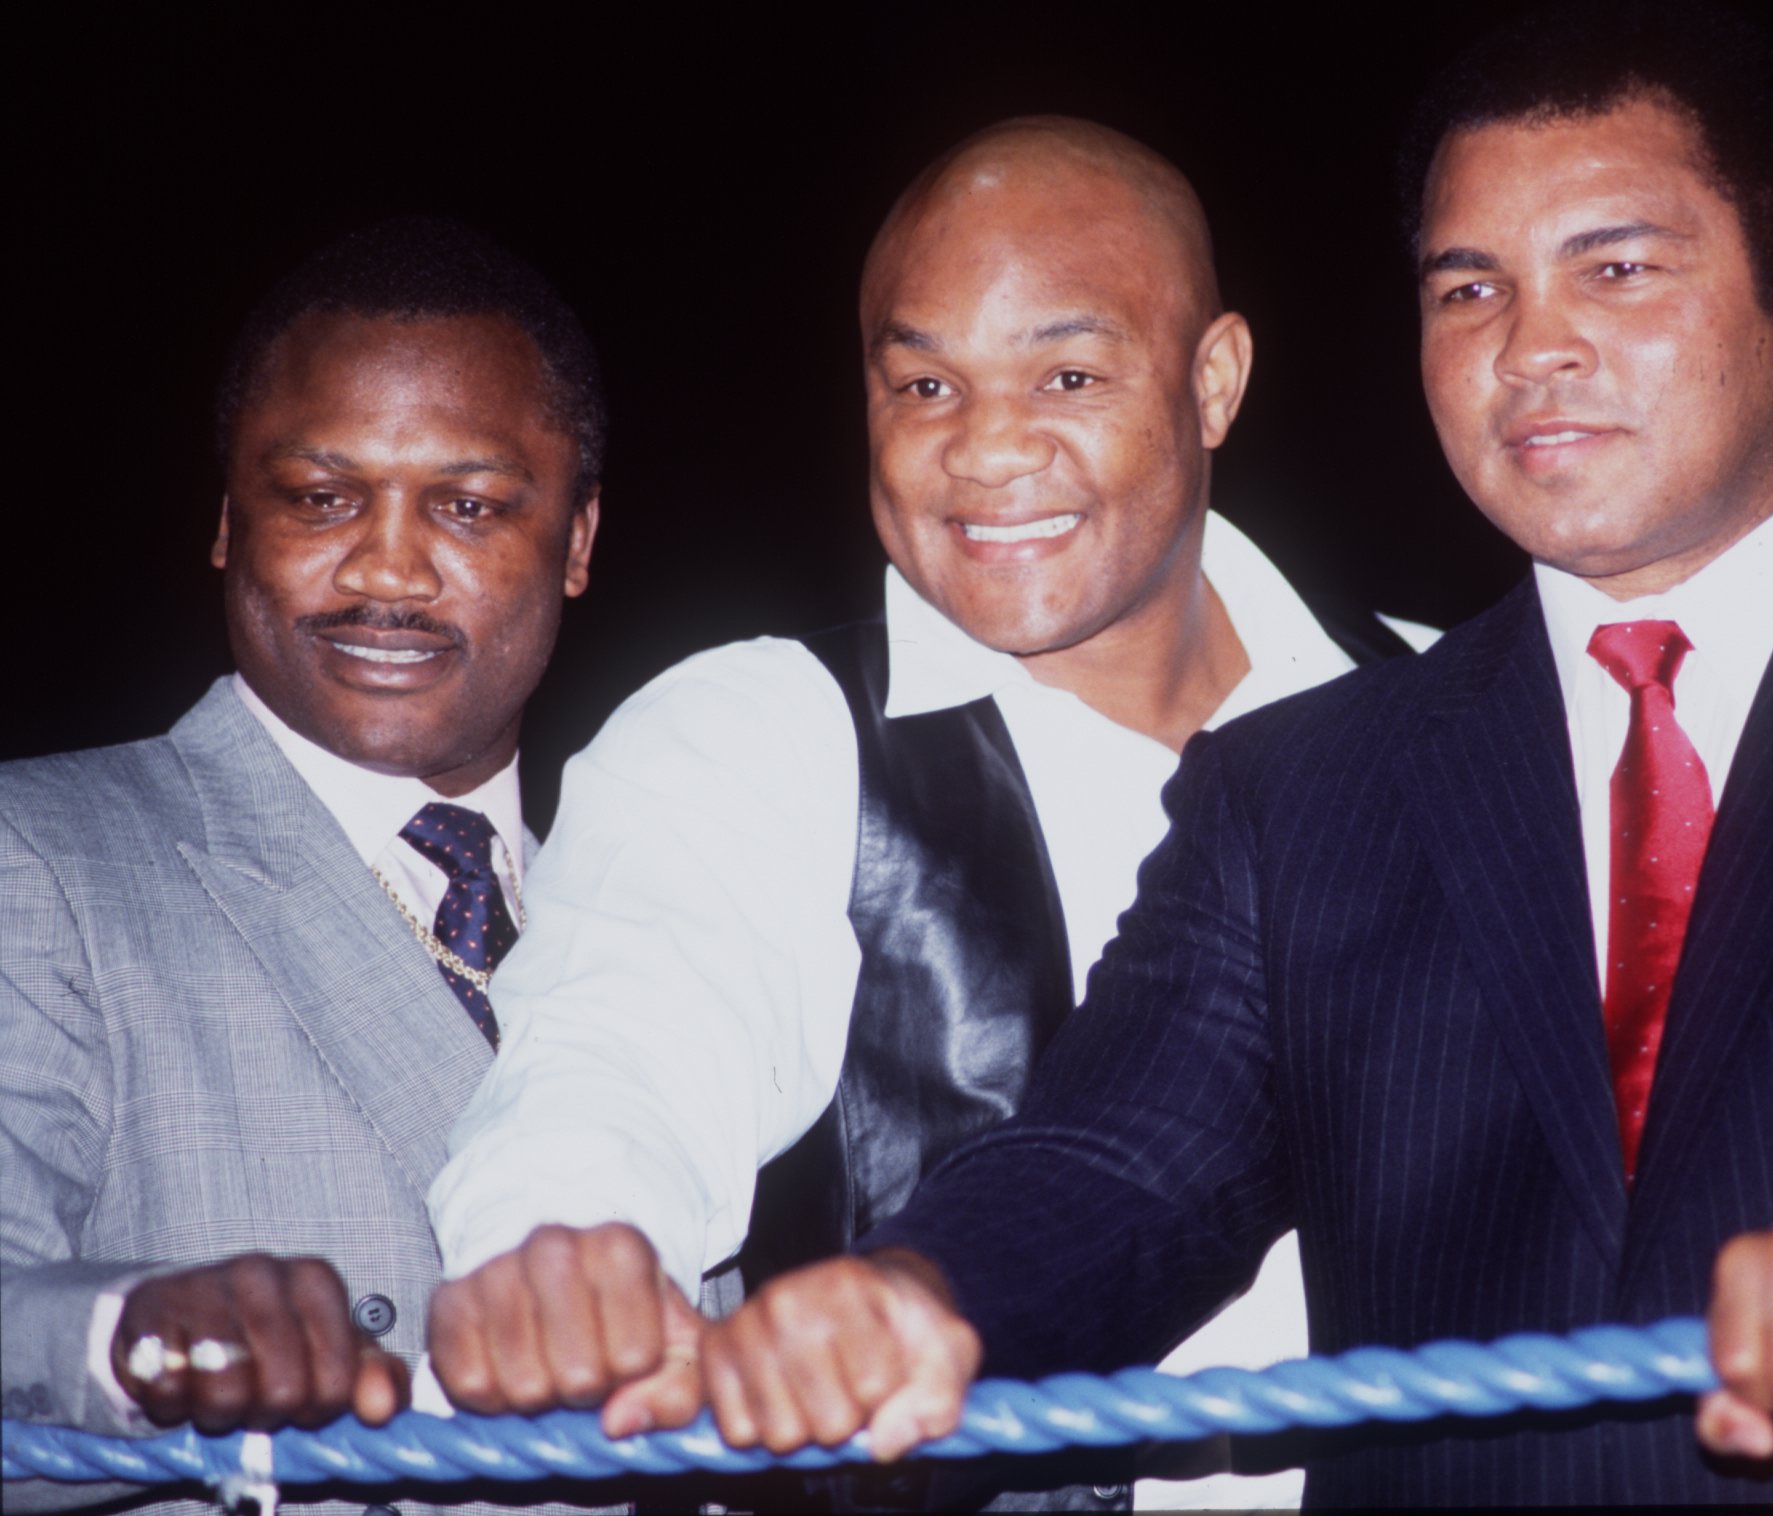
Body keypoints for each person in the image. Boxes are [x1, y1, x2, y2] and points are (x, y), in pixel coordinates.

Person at [632, 5, 1773, 1505]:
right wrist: (915, 1298)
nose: (1529, 346)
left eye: (1615, 270)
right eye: (1470, 287)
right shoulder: (1299, 789)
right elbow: (1116, 1165)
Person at [422, 118, 1432, 1511]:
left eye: (1067, 373)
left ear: (1214, 380)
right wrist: (560, 1251)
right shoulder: (756, 733)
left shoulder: (1452, 715)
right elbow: (610, 1056)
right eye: (925, 387)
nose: (988, 451)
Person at [0, 218, 603, 1515]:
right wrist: (135, 1339)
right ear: (229, 523)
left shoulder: (647, 913)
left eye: (472, 504)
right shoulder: (40, 857)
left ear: (577, 541)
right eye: (320, 498)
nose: (386, 567)